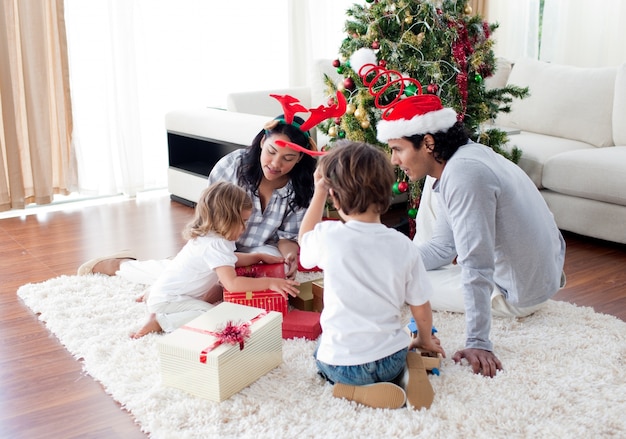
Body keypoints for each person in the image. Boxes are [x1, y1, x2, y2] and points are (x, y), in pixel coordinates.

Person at [370, 77, 566, 378]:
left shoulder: (463, 176)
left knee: (402, 285)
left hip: (516, 294)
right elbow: (443, 247)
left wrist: (479, 342)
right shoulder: (462, 158)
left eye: (398, 149)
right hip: (538, 276)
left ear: (428, 143)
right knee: (404, 264)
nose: (394, 160)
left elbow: (477, 263)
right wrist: (391, 261)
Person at [78, 92, 344, 289]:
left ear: (299, 160)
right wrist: (221, 262)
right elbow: (206, 225)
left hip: (259, 251)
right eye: (272, 152)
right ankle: (120, 266)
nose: (275, 164)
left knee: (273, 267)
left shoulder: (301, 186)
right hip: (218, 243)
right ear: (263, 141)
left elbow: (288, 237)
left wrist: (289, 254)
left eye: (288, 159)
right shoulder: (234, 165)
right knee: (189, 281)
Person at [298, 140, 445, 410]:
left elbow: (304, 239)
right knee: (399, 342)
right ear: (387, 193)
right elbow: (420, 304)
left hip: (343, 364)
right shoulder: (404, 246)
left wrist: (318, 192)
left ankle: (353, 390)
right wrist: (423, 339)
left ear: (335, 197)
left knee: (320, 352)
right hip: (391, 359)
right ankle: (404, 374)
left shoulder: (329, 237)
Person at [130, 181, 300, 339]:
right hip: (168, 301)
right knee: (213, 316)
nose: (245, 227)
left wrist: (257, 256)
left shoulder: (211, 237)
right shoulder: (216, 244)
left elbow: (228, 260)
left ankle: (154, 299)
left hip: (167, 293)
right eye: (242, 221)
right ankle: (160, 321)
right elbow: (232, 284)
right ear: (224, 219)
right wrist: (269, 283)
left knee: (201, 305)